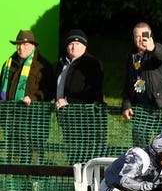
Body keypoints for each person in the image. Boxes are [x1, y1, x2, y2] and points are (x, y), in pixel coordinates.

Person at [0, 29, 55, 164]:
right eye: (18, 44)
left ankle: (33, 183)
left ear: (33, 46)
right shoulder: (8, 64)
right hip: (11, 121)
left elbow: (50, 91)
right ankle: (12, 183)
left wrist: (33, 98)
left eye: (25, 44)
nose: (21, 48)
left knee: (33, 159)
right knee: (12, 159)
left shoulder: (43, 66)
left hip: (34, 122)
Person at [121, 22, 162, 148]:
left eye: (144, 35)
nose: (141, 39)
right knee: (139, 142)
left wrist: (153, 49)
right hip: (141, 108)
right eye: (137, 36)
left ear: (150, 36)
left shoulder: (157, 49)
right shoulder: (132, 56)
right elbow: (127, 82)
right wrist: (126, 103)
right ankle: (143, 166)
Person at [55, 29, 106, 161]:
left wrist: (69, 102)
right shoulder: (62, 63)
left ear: (84, 46)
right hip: (67, 119)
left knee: (86, 158)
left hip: (86, 120)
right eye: (70, 44)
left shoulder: (92, 63)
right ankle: (74, 182)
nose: (73, 47)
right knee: (72, 155)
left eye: (77, 44)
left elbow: (93, 92)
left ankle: (87, 182)